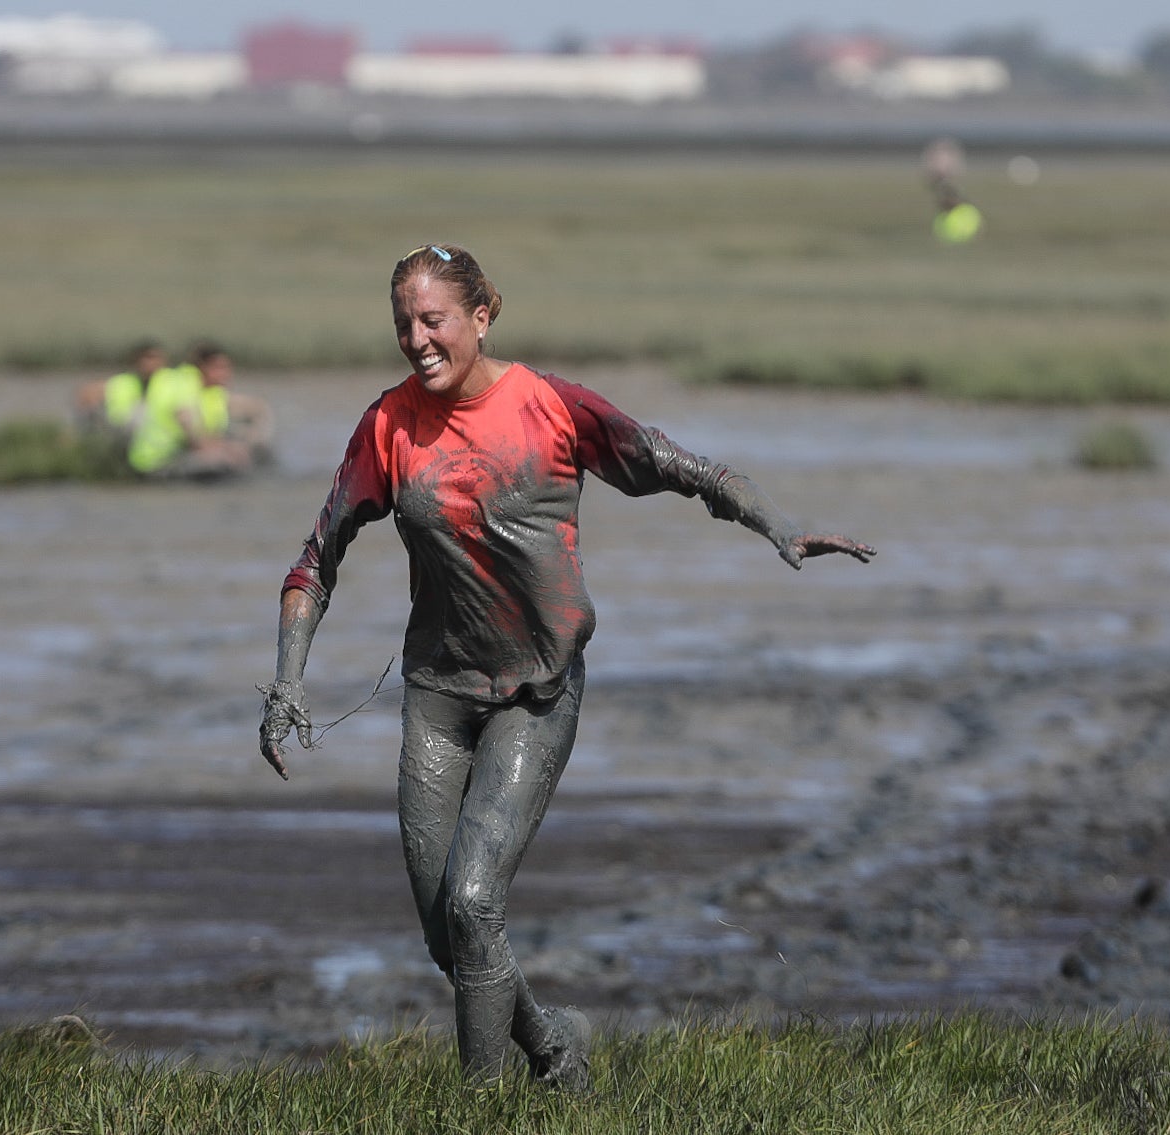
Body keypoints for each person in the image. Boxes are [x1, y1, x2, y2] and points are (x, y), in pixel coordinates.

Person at [256, 243, 874, 1089]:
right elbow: (313, 563)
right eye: (403, 323)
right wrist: (288, 683)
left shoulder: (550, 406)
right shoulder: (386, 426)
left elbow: (675, 464)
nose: (416, 339)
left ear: (481, 315)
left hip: (536, 693)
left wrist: (775, 523)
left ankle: (479, 1103)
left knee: (475, 904)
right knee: (448, 934)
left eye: (432, 320)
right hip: (436, 696)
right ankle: (553, 1045)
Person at [129, 340, 273, 479]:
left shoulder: (211, 392)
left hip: (180, 454)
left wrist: (251, 442)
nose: (227, 374)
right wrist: (227, 449)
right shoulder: (183, 384)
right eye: (220, 368)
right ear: (204, 367)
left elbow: (256, 407)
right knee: (221, 462)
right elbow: (190, 433)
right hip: (157, 463)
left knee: (246, 457)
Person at [75, 338, 165, 444]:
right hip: (124, 436)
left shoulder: (172, 382)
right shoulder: (124, 382)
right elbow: (88, 393)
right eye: (145, 358)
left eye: (153, 358)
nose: (149, 363)